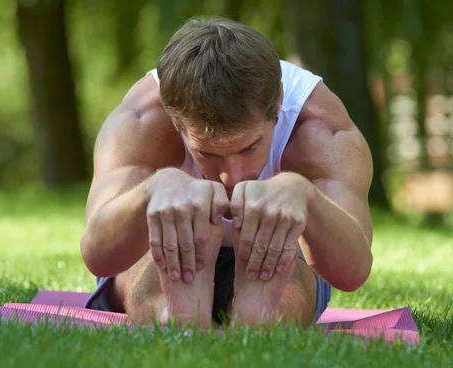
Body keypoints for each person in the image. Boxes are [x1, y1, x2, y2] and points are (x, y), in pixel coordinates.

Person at [80, 17, 373, 328]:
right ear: (174, 117)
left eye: (249, 148)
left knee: (288, 293)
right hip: (160, 248)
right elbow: (100, 257)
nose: (231, 178)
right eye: (207, 152)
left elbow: (351, 272)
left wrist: (304, 196)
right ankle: (180, 312)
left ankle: (256, 312)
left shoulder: (321, 130)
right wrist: (151, 191)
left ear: (278, 103)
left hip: (281, 251)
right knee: (149, 283)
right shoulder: (142, 120)